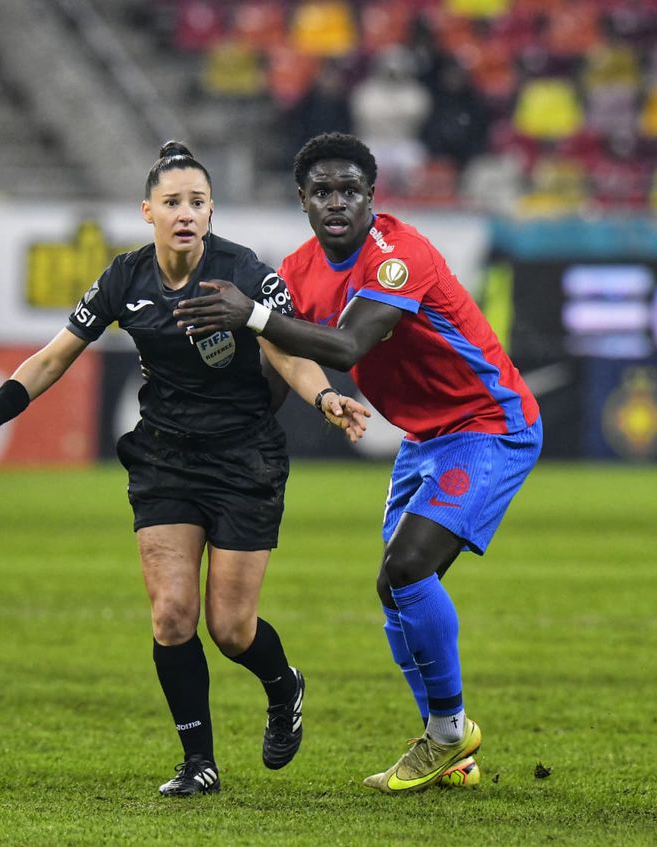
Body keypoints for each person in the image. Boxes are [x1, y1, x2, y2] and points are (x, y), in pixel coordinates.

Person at [0, 142, 369, 797]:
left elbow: (288, 355)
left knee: (230, 628)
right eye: (172, 202)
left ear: (211, 210)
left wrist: (327, 396)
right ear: (148, 211)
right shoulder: (125, 279)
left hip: (244, 459)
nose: (185, 212)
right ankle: (198, 761)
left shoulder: (245, 274)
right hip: (165, 457)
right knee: (171, 614)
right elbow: (54, 357)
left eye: (197, 201)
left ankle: (284, 685)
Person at [172, 132, 542, 793]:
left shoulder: (400, 256)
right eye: (323, 192)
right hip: (426, 435)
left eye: (350, 190)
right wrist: (230, 422)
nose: (337, 202)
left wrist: (252, 313)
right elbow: (280, 363)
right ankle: (447, 744)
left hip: (490, 423)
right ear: (303, 200)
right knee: (394, 586)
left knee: (406, 568)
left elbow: (345, 346)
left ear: (372, 197)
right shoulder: (296, 269)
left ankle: (450, 733)